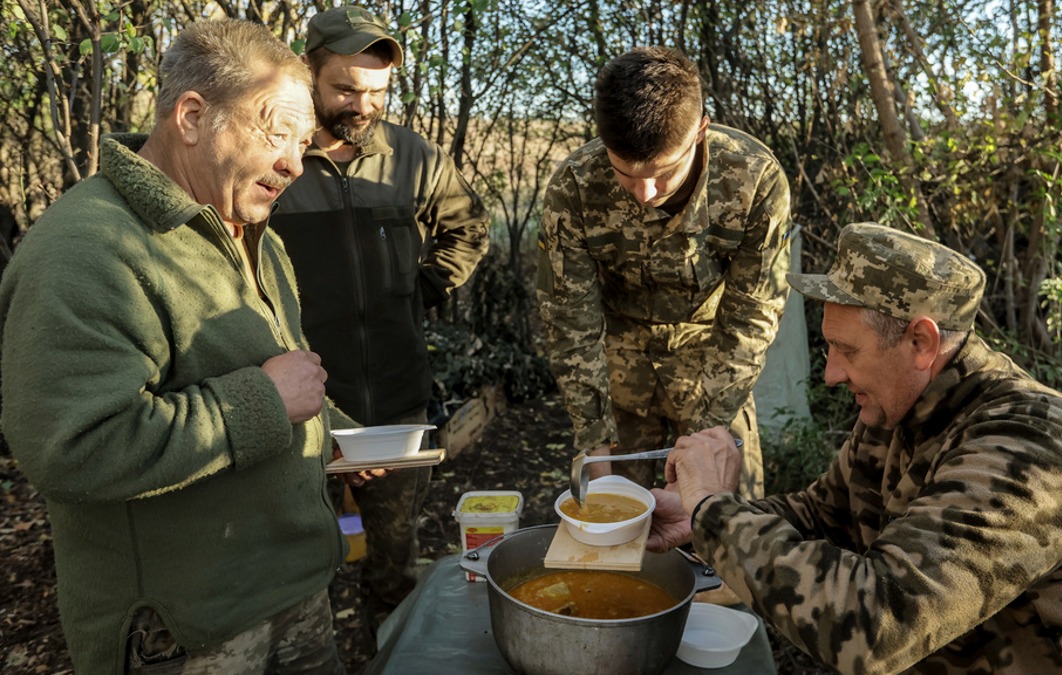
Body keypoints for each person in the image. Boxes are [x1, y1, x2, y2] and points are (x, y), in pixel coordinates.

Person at [0, 20, 354, 674]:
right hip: (189, 629)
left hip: (294, 587)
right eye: (278, 134)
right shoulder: (86, 249)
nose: (295, 163)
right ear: (192, 115)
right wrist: (264, 403)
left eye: (304, 144)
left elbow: (268, 375)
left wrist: (339, 436)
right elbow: (72, 447)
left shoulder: (256, 235)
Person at [648, 222, 1062, 674]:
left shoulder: (1028, 448)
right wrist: (696, 517)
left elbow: (875, 627)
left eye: (847, 350)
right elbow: (823, 517)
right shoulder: (896, 410)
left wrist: (716, 511)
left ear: (922, 343)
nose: (830, 374)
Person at [270, 5, 490, 629]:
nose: (362, 106)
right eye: (344, 87)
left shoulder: (412, 158)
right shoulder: (274, 162)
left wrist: (420, 291)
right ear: (306, 72)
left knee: (393, 562)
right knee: (299, 573)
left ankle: (387, 646)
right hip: (301, 409)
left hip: (396, 400)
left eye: (377, 91)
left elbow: (468, 227)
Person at [536, 46, 791, 498]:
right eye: (625, 175)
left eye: (660, 174)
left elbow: (751, 318)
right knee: (613, 530)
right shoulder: (575, 186)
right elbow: (569, 321)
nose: (644, 192)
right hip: (615, 380)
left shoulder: (753, 181)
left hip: (714, 366)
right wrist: (595, 439)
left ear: (700, 132)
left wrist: (707, 439)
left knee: (729, 532)